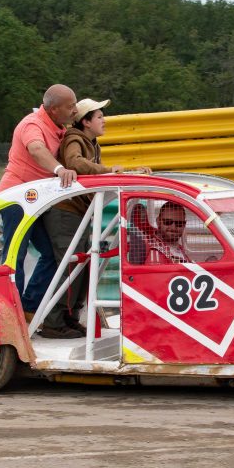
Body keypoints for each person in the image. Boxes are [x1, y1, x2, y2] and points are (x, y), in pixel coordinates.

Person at [41, 98, 149, 338]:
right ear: (86, 121)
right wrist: (109, 170)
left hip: (79, 212)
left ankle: (69, 319)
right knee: (70, 265)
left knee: (83, 264)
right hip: (65, 212)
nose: (104, 120)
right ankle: (54, 323)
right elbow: (74, 163)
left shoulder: (92, 142)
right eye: (99, 116)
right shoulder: (74, 138)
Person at [0, 84, 79, 321]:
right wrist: (59, 169)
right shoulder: (32, 124)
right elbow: (36, 149)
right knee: (15, 256)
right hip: (17, 200)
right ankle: (10, 315)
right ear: (54, 109)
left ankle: (28, 307)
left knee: (54, 254)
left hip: (36, 200)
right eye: (70, 106)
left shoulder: (59, 128)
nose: (74, 110)